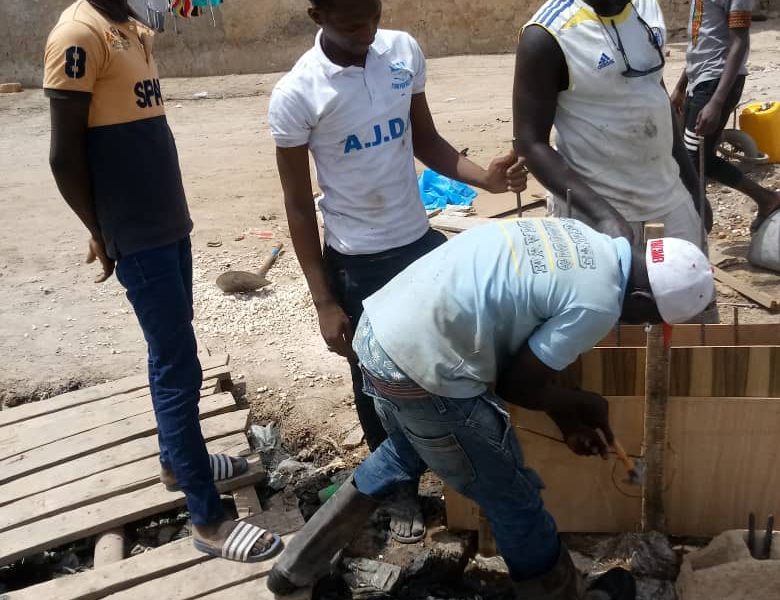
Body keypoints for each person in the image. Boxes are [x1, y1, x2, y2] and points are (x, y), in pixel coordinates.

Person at [267, 216, 715, 599]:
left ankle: (297, 565)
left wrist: (565, 415)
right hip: (422, 368)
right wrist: (583, 401)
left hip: (379, 335)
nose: (641, 327)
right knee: (513, 499)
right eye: (649, 319)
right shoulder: (599, 302)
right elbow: (518, 383)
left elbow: (526, 338)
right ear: (641, 300)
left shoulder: (583, 239)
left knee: (408, 448)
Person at [268, 0, 526, 543]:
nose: (366, 29)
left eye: (372, 13)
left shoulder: (402, 52)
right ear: (317, 15)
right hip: (357, 262)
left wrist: (488, 180)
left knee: (458, 361)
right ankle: (400, 488)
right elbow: (296, 204)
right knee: (376, 384)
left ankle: (468, 474)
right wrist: (324, 300)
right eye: (349, 20)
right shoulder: (297, 94)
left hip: (420, 246)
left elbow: (426, 140)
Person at [44, 0, 280, 563]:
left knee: (171, 347)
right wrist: (100, 230)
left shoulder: (131, 27)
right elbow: (63, 156)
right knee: (178, 362)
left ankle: (179, 461)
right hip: (137, 231)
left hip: (167, 220)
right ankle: (208, 518)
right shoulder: (78, 33)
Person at [513, 0, 710, 249]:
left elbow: (653, 91)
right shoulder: (547, 36)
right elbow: (529, 145)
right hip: (597, 217)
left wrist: (693, 188)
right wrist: (603, 216)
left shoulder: (646, 10)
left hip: (670, 202)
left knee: (688, 285)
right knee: (619, 288)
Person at [670, 0, 780, 230]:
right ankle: (766, 199)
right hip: (699, 81)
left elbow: (740, 41)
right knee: (701, 158)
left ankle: (698, 228)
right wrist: (682, 86)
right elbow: (701, 42)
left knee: (691, 161)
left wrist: (717, 101)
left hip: (716, 83)